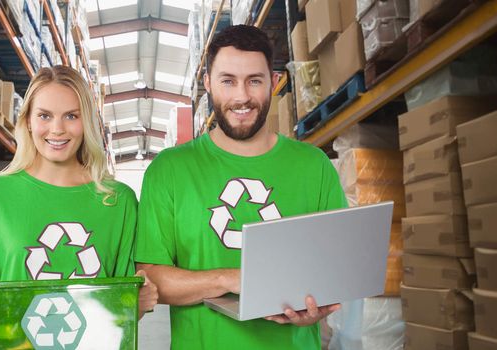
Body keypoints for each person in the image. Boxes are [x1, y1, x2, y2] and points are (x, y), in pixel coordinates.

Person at [135, 25, 347, 349]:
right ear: (207, 84)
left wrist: (315, 309)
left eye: (255, 81)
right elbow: (151, 279)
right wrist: (230, 279)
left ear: (274, 83)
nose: (242, 96)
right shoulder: (169, 170)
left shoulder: (314, 166)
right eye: (228, 81)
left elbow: (335, 267)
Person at [0, 66, 157, 322]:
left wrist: (140, 302)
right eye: (44, 116)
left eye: (71, 116)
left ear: (86, 122)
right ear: (27, 121)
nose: (57, 129)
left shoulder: (119, 201)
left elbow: (123, 312)